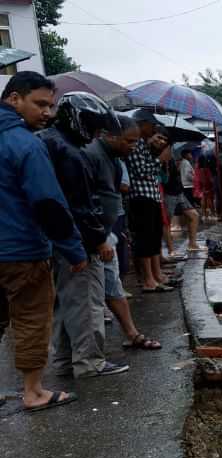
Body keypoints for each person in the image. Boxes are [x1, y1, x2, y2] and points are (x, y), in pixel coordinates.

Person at [0, 71, 85, 411]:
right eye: (40, 104)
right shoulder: (26, 145)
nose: (47, 113)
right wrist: (74, 250)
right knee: (32, 318)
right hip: (22, 251)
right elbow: (49, 204)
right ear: (14, 98)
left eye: (50, 105)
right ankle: (33, 392)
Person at [39, 91, 130, 379]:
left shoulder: (48, 142)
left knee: (66, 303)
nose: (95, 133)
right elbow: (81, 205)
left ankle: (67, 360)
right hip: (77, 240)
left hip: (55, 240)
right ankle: (90, 361)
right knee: (86, 301)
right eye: (93, 126)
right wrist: (98, 239)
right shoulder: (70, 152)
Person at [84, 113, 160, 351]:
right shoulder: (91, 156)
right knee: (90, 296)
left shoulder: (113, 159)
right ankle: (87, 360)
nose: (133, 146)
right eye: (129, 141)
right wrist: (99, 238)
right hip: (94, 237)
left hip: (106, 231)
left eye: (136, 141)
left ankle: (131, 334)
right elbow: (85, 202)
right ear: (109, 136)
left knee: (112, 283)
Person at [123, 109, 175, 292]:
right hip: (140, 198)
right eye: (151, 126)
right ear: (142, 124)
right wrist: (159, 160)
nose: (152, 130)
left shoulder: (144, 146)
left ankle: (156, 275)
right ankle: (148, 280)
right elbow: (141, 171)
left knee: (153, 238)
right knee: (144, 240)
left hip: (151, 197)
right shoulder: (135, 144)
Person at [161, 144, 200, 255]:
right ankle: (171, 250)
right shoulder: (159, 160)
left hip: (179, 191)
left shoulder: (172, 158)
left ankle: (192, 244)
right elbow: (163, 179)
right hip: (169, 194)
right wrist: (166, 165)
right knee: (166, 223)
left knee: (194, 215)